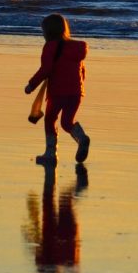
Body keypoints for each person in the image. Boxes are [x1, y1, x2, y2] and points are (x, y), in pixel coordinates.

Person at [24, 14, 91, 166]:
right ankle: (82, 138)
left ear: (48, 32)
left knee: (50, 120)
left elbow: (45, 70)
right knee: (67, 122)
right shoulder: (76, 48)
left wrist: (31, 85)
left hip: (58, 93)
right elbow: (82, 72)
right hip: (76, 93)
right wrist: (78, 87)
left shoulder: (50, 47)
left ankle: (50, 153)